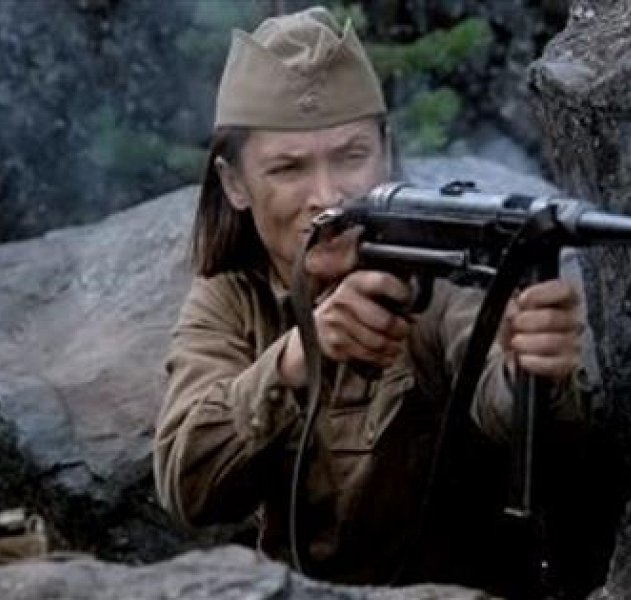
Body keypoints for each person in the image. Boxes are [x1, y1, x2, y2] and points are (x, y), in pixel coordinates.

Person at [153, 6, 586, 591]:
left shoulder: (442, 273)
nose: (327, 195)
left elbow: (506, 407)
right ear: (235, 184)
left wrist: (527, 365)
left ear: (385, 151)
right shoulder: (230, 302)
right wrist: (297, 358)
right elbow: (188, 487)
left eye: (351, 156)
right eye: (288, 168)